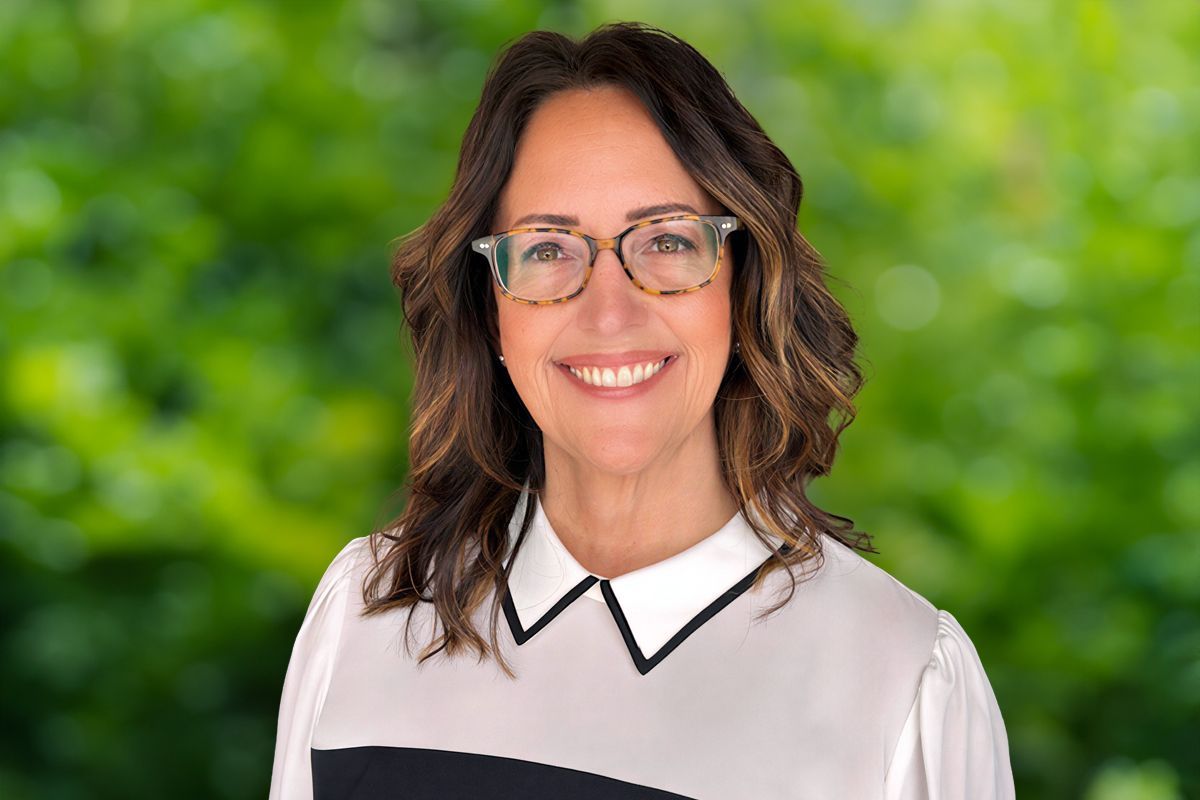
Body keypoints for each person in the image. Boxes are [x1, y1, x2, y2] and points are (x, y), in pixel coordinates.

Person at [269, 21, 1015, 800]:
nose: (609, 313)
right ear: (492, 307)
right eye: (549, 250)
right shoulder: (368, 610)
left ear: (743, 284)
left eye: (665, 241)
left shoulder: (897, 674)